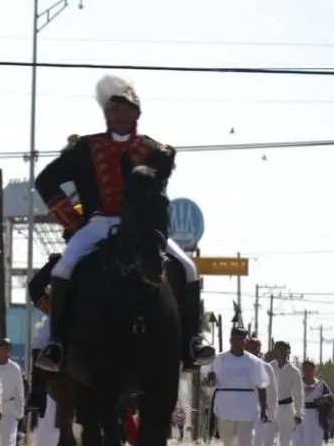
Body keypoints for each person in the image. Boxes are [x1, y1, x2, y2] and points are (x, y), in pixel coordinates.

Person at [32, 75, 215, 374]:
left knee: (188, 269)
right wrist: (73, 219)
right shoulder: (85, 148)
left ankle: (192, 340)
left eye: (125, 109)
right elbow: (45, 180)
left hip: (143, 227)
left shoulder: (156, 151)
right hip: (98, 223)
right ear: (105, 113)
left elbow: (158, 193)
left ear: (137, 113)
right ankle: (57, 342)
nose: (118, 115)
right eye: (113, 109)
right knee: (64, 268)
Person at [203, 325, 268, 446]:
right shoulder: (220, 359)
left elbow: (261, 386)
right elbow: (209, 380)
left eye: (242, 339)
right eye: (236, 339)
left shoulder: (254, 362)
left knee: (246, 443)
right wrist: (210, 378)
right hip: (225, 405)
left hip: (247, 405)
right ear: (231, 340)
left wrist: (264, 410)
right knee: (229, 443)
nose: (239, 342)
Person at [268, 341, 304, 446]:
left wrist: (299, 414)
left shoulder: (294, 371)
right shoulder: (269, 368)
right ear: (275, 351)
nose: (284, 353)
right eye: (281, 350)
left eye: (286, 351)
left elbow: (299, 394)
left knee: (284, 443)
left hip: (286, 408)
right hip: (270, 408)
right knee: (268, 442)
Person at [294, 360, 331, 446]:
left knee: (314, 443)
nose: (307, 371)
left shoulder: (321, 384)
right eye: (304, 369)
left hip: (315, 416)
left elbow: (330, 397)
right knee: (298, 441)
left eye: (309, 369)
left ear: (314, 370)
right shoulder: (298, 383)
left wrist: (324, 399)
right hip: (300, 414)